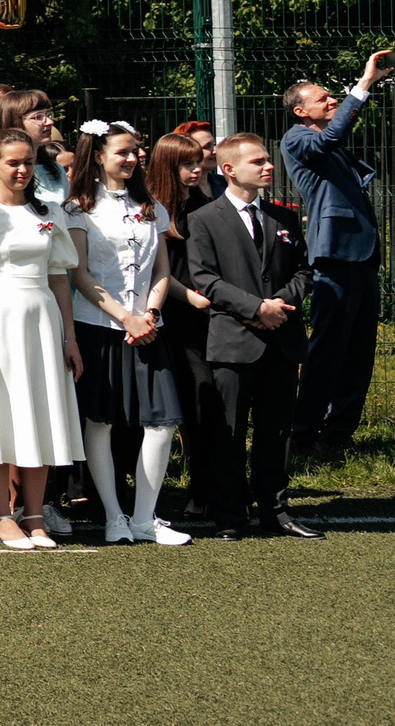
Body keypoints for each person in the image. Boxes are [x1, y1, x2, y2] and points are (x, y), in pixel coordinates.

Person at [0, 129, 85, 550]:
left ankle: (34, 515)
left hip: (44, 320)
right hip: (0, 320)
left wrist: (70, 338)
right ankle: (2, 515)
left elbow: (60, 278)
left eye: (28, 161)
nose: (22, 169)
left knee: (42, 412)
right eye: (13, 162)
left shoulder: (50, 211)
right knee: (0, 415)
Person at [185, 133, 317, 540]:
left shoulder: (284, 218)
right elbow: (204, 278)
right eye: (258, 160)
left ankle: (275, 512)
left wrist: (277, 304)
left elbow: (304, 272)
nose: (269, 166)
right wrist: (255, 309)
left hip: (281, 340)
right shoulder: (203, 219)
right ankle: (228, 514)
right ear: (228, 169)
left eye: (268, 159)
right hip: (233, 342)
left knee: (275, 433)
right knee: (228, 432)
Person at [64, 121, 189, 546]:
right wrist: (125, 318)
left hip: (148, 329)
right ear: (98, 156)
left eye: (136, 150)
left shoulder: (152, 205)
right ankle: (114, 517)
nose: (133, 158)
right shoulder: (78, 208)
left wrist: (149, 313)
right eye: (123, 152)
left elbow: (161, 269)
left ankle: (144, 518)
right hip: (100, 327)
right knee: (100, 422)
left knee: (162, 423)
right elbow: (79, 275)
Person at [280, 52, 388, 459]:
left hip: (360, 256)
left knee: (360, 351)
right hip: (334, 258)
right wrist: (364, 82)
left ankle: (339, 435)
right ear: (299, 110)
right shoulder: (298, 137)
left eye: (333, 97)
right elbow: (331, 137)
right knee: (327, 349)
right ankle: (303, 434)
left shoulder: (329, 144)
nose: (332, 102)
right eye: (323, 98)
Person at [145, 131, 223, 523]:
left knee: (202, 401)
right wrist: (187, 296)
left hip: (201, 318)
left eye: (200, 162)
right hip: (162, 315)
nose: (197, 169)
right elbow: (156, 270)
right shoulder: (151, 209)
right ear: (167, 166)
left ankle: (203, 490)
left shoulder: (207, 205)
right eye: (187, 164)